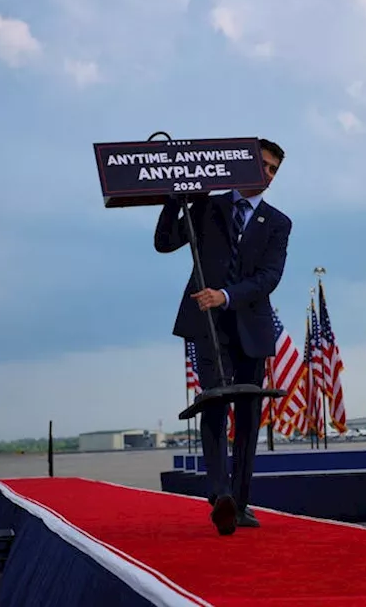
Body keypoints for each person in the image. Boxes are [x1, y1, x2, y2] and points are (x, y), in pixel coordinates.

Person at [153, 138, 292, 536]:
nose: (267, 175)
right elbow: (165, 243)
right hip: (207, 327)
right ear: (245, 165)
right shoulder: (209, 206)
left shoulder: (278, 222)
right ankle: (220, 494)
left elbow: (270, 277)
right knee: (213, 404)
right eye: (263, 165)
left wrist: (226, 296)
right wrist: (174, 198)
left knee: (248, 417)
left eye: (274, 170)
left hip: (250, 327)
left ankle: (241, 504)